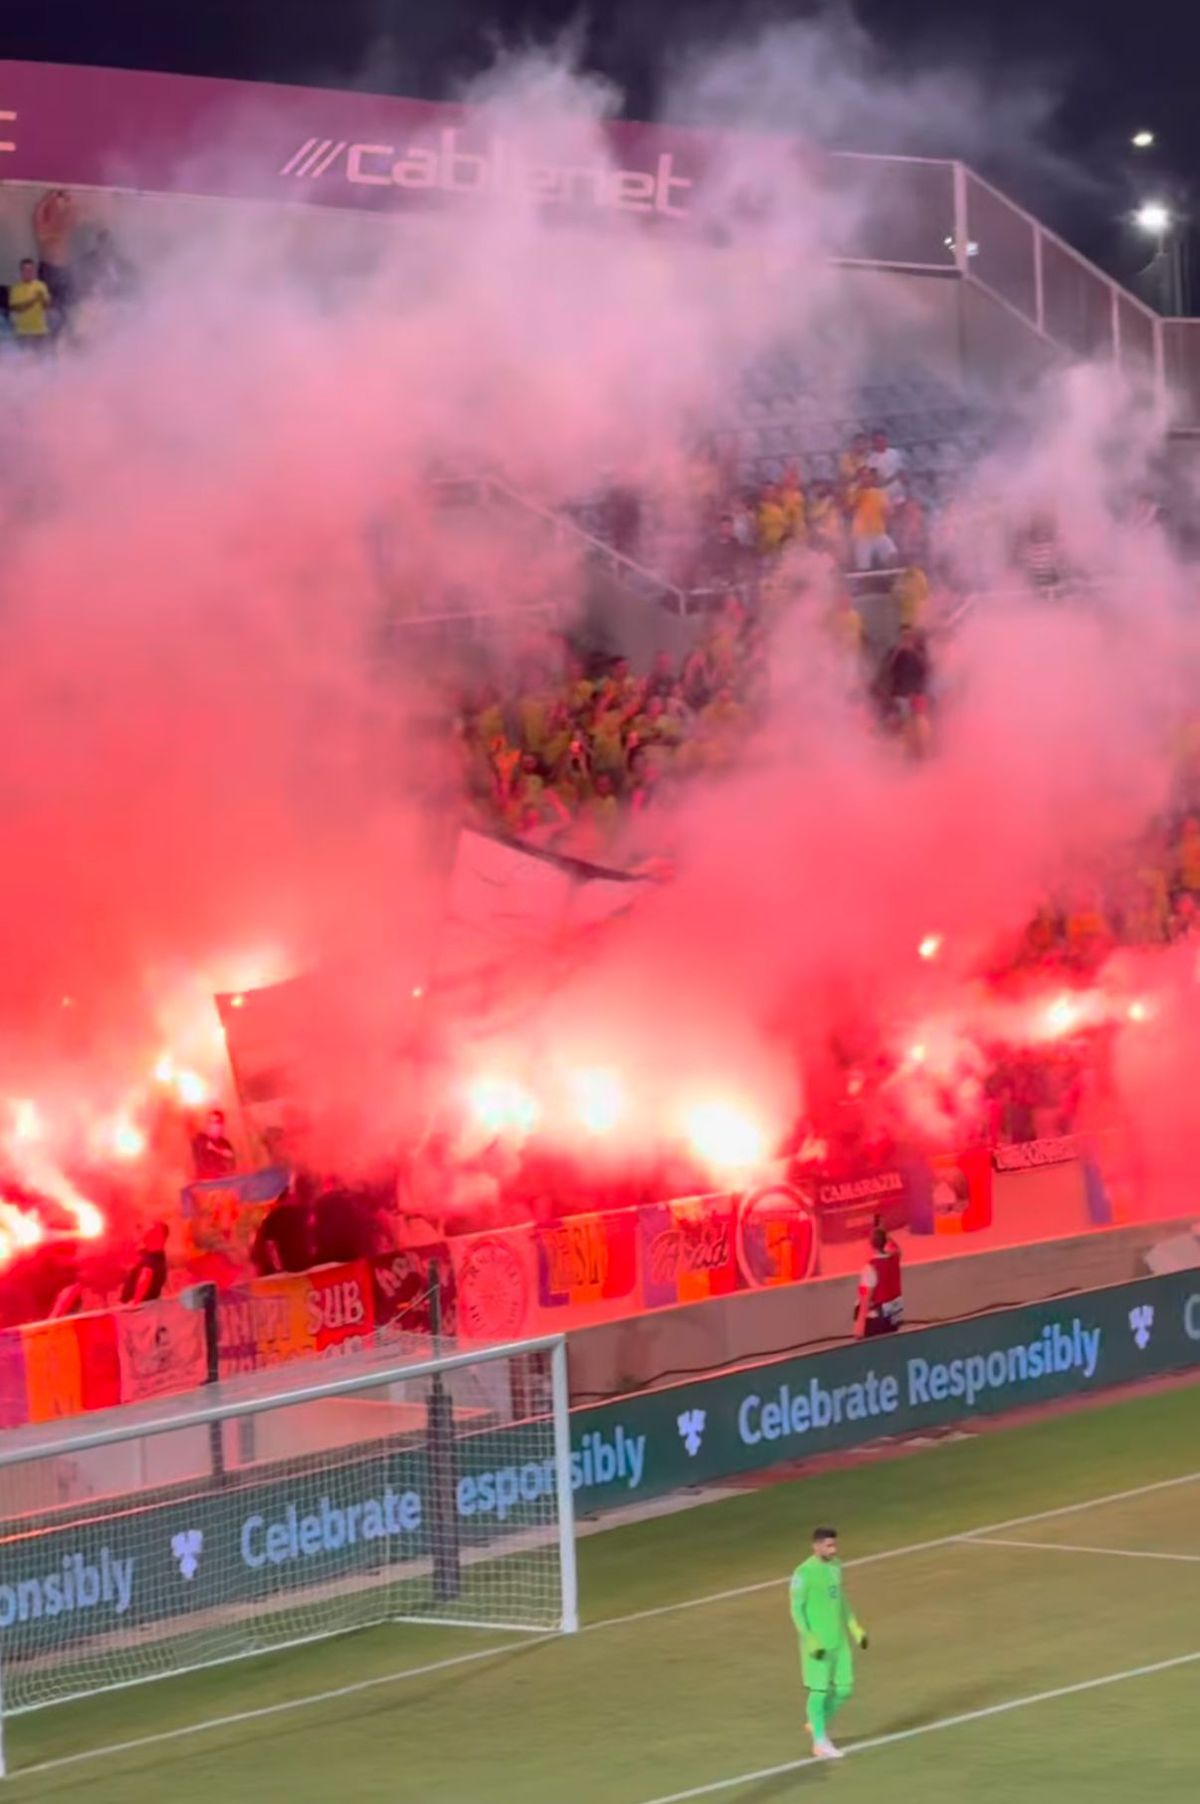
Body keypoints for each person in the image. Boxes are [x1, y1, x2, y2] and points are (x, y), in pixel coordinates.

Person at [790, 1526, 868, 1760]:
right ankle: (820, 1743)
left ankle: (817, 1722)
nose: (833, 1549)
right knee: (819, 1691)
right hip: (818, 1645)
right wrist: (811, 1640)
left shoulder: (836, 1566)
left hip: (839, 1641)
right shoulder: (803, 1573)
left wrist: (855, 1628)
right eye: (828, 1545)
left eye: (835, 1544)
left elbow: (840, 1599)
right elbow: (796, 1610)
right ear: (816, 1546)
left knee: (845, 1689)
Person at [854, 1221, 903, 1338]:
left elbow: (864, 1299)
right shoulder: (894, 1259)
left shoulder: (870, 1268)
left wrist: (859, 1328)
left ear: (870, 1243)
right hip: (893, 1316)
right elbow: (898, 1249)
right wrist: (886, 1236)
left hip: (875, 1321)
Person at [119, 1221, 169, 1306]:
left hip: (139, 1309)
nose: (146, 1233)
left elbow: (145, 1278)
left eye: (150, 1231)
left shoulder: (152, 1260)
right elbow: (130, 1257)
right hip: (144, 1308)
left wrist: (134, 1303)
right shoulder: (149, 1255)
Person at [7, 258, 53, 346]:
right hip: (23, 333)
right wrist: (34, 299)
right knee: (24, 359)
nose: (29, 272)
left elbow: (47, 306)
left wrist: (44, 299)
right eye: (26, 269)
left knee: (42, 359)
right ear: (21, 271)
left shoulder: (41, 285)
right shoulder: (15, 288)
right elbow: (17, 309)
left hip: (40, 332)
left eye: (31, 269)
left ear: (34, 271)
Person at [192, 1109, 237, 1180]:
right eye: (209, 1121)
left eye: (215, 1122)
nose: (211, 1125)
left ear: (221, 1125)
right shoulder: (201, 1139)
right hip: (206, 1185)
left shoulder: (225, 1143)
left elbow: (231, 1165)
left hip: (224, 1183)